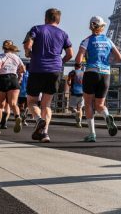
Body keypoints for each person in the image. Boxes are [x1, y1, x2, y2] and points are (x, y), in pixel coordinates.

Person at [23, 8, 73, 143]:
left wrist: (28, 53)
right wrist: (60, 62)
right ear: (58, 19)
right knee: (47, 105)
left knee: (32, 101)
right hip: (54, 71)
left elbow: (28, 45)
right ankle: (45, 133)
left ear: (45, 18)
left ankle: (39, 120)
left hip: (37, 69)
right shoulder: (63, 34)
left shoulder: (36, 29)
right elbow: (70, 54)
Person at [76, 16, 121, 142]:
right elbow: (119, 58)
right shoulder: (108, 41)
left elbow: (78, 59)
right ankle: (107, 116)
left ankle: (92, 134)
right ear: (102, 27)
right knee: (100, 104)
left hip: (91, 72)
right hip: (105, 74)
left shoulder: (86, 40)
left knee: (88, 104)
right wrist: (108, 61)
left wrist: (79, 67)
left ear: (91, 27)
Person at [0, 40, 25, 134]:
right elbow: (23, 69)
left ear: (3, 47)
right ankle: (17, 117)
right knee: (13, 104)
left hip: (2, 79)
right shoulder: (16, 57)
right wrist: (17, 72)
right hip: (13, 79)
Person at [65, 61, 85, 128]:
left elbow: (68, 81)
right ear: (81, 66)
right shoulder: (84, 73)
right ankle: (79, 123)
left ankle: (76, 113)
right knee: (80, 108)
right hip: (82, 93)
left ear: (75, 66)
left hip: (74, 93)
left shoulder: (72, 73)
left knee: (71, 108)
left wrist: (69, 84)